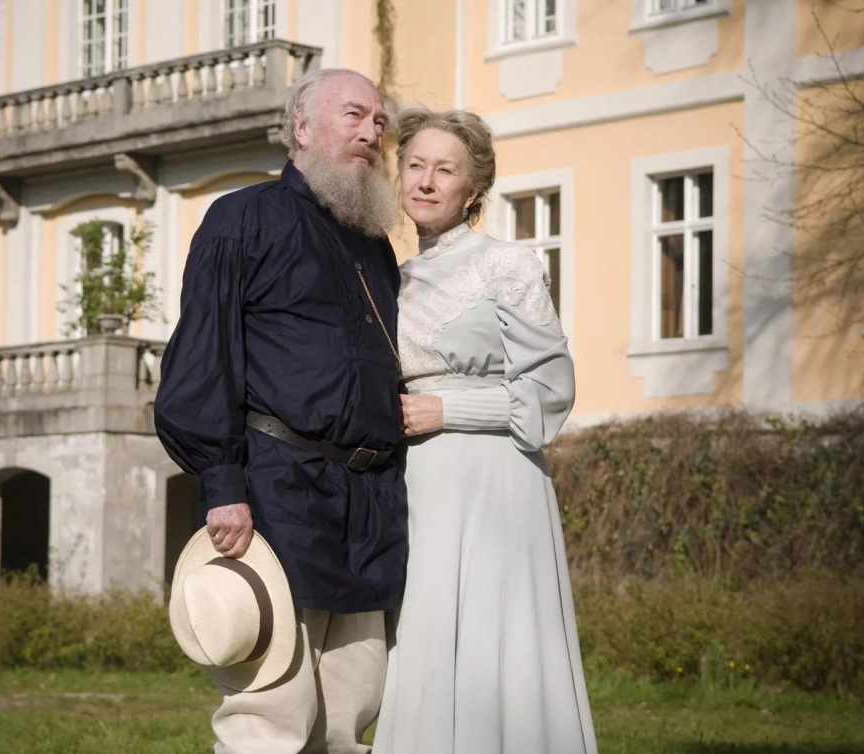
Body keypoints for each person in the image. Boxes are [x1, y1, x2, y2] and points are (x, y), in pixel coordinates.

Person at [153, 68, 406, 754]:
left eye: (378, 122)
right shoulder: (243, 218)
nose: (371, 133)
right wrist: (223, 484)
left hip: (368, 503)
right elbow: (205, 357)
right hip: (277, 491)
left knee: (350, 717)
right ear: (302, 127)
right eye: (354, 115)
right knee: (271, 713)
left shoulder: (373, 242)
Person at [372, 107, 598, 753]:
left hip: (498, 483)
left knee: (501, 641)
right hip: (420, 484)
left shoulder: (509, 264)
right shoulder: (392, 278)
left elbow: (554, 390)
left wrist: (452, 411)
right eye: (414, 165)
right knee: (426, 633)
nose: (426, 180)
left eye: (445, 170)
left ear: (473, 190)